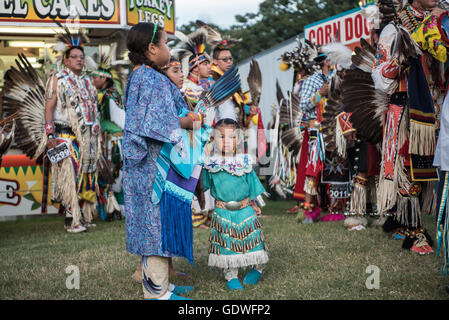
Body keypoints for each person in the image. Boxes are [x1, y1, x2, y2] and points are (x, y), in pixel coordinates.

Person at [123, 22, 199, 300]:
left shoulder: (145, 75)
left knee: (156, 225)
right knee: (152, 227)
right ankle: (157, 294)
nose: (168, 49)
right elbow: (152, 123)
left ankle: (162, 285)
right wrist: (187, 123)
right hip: (149, 166)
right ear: (152, 48)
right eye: (166, 43)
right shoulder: (148, 77)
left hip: (148, 164)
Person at [44, 26, 100, 233]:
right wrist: (50, 135)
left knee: (87, 175)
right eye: (74, 57)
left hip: (88, 137)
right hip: (65, 134)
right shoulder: (56, 79)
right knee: (70, 175)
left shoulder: (87, 81)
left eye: (81, 57)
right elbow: (48, 109)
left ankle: (82, 216)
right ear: (66, 60)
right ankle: (71, 220)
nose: (79, 60)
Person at [204, 118, 268, 291]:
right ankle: (231, 275)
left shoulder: (244, 163)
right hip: (223, 212)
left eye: (231, 137)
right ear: (213, 139)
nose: (226, 141)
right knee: (228, 243)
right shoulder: (210, 165)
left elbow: (251, 185)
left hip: (245, 209)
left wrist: (254, 203)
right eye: (221, 137)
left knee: (254, 241)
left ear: (239, 140)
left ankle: (258, 268)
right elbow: (201, 185)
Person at [296, 52, 331, 223]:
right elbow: (303, 105)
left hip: (333, 130)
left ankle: (334, 207)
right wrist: (320, 93)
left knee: (336, 168)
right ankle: (308, 210)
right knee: (313, 168)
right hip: (316, 129)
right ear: (326, 61)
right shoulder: (312, 81)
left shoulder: (339, 79)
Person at [91, 52, 126, 221]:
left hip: (115, 141)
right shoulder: (105, 94)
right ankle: (112, 208)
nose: (93, 80)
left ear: (104, 79)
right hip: (109, 139)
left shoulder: (110, 95)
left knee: (116, 173)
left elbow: (120, 120)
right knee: (111, 174)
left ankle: (120, 209)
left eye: (95, 77)